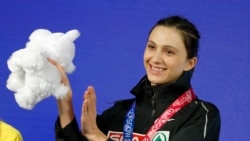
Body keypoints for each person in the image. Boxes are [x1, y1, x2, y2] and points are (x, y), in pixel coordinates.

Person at [52, 15, 221, 141]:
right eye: (151, 47)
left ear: (190, 63)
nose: (155, 58)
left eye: (169, 52)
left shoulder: (201, 116)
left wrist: (98, 137)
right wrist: (64, 100)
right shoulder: (119, 113)